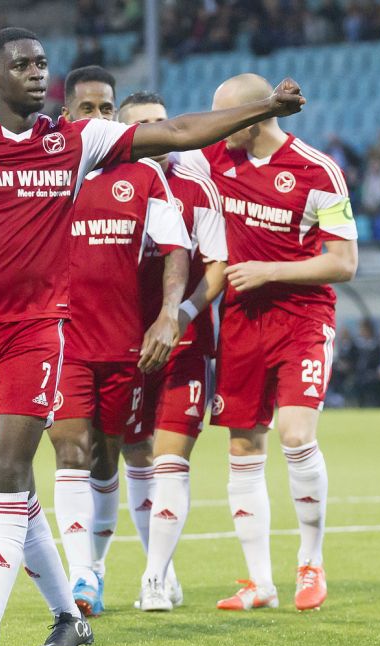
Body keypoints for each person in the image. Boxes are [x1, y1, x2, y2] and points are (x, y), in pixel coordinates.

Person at [0, 27, 305, 646]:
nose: (38, 74)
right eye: (23, 65)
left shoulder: (75, 141)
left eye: (44, 64)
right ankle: (69, 617)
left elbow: (179, 133)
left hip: (36, 331)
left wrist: (265, 107)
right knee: (8, 487)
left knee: (11, 476)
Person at [180, 73, 357, 612]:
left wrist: (268, 270)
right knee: (242, 446)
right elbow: (163, 152)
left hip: (303, 319)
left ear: (256, 117)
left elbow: (344, 262)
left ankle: (311, 562)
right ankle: (260, 582)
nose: (220, 127)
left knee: (296, 433)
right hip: (239, 322)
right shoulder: (212, 160)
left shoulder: (318, 171)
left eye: (228, 117)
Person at [46, 69, 190, 618]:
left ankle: (98, 566)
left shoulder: (145, 176)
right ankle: (81, 578)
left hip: (123, 342)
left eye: (107, 108)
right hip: (62, 339)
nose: (99, 119)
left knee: (109, 459)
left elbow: (175, 247)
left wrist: (167, 315)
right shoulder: (48, 173)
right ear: (67, 116)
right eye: (87, 109)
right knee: (71, 451)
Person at [117, 92, 228, 613]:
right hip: (120, 347)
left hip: (185, 344)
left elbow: (217, 269)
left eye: (164, 122)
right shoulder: (105, 184)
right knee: (134, 456)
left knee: (170, 459)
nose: (160, 132)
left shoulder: (195, 186)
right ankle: (159, 563)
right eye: (146, 126)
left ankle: (155, 577)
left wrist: (179, 316)